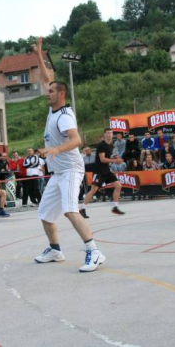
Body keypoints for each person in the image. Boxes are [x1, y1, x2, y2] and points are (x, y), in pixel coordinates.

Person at [32, 37, 106, 272]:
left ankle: (94, 252)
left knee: (70, 210)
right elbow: (46, 78)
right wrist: (39, 55)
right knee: (45, 214)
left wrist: (55, 149)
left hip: (72, 169)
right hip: (57, 172)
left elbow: (76, 140)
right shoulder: (53, 109)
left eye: (52, 91)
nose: (48, 92)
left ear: (61, 94)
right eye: (48, 90)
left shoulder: (64, 115)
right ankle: (55, 249)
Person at [80, 128, 125, 218]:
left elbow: (110, 157)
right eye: (108, 133)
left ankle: (115, 207)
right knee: (93, 190)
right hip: (99, 171)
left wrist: (116, 158)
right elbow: (102, 159)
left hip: (106, 170)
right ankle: (82, 209)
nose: (109, 134)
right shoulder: (101, 145)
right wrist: (115, 160)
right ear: (104, 135)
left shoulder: (111, 146)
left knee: (118, 186)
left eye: (111, 133)